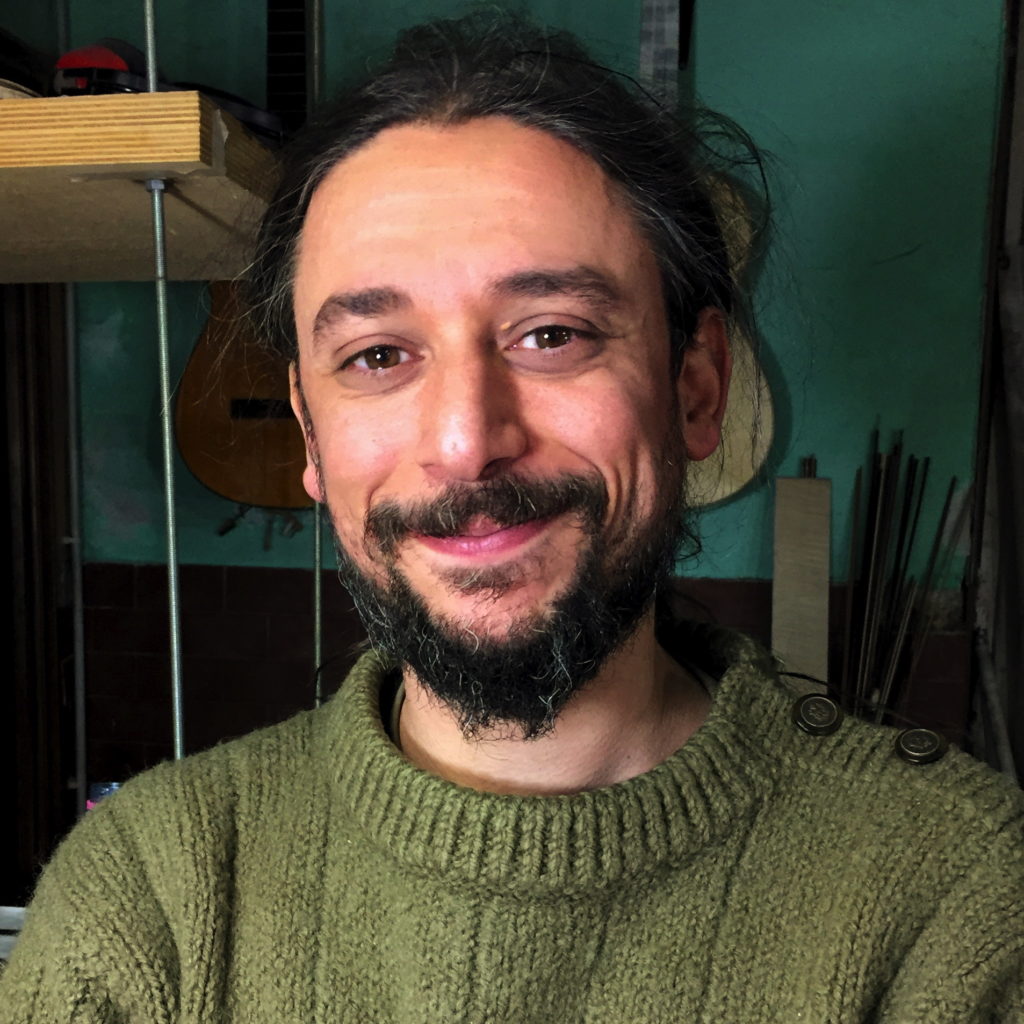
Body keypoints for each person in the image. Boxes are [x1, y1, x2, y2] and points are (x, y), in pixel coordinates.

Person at [3, 13, 1022, 1022]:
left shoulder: (959, 900)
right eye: (378, 355)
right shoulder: (144, 903)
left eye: (551, 335)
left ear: (697, 387)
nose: (464, 440)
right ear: (310, 432)